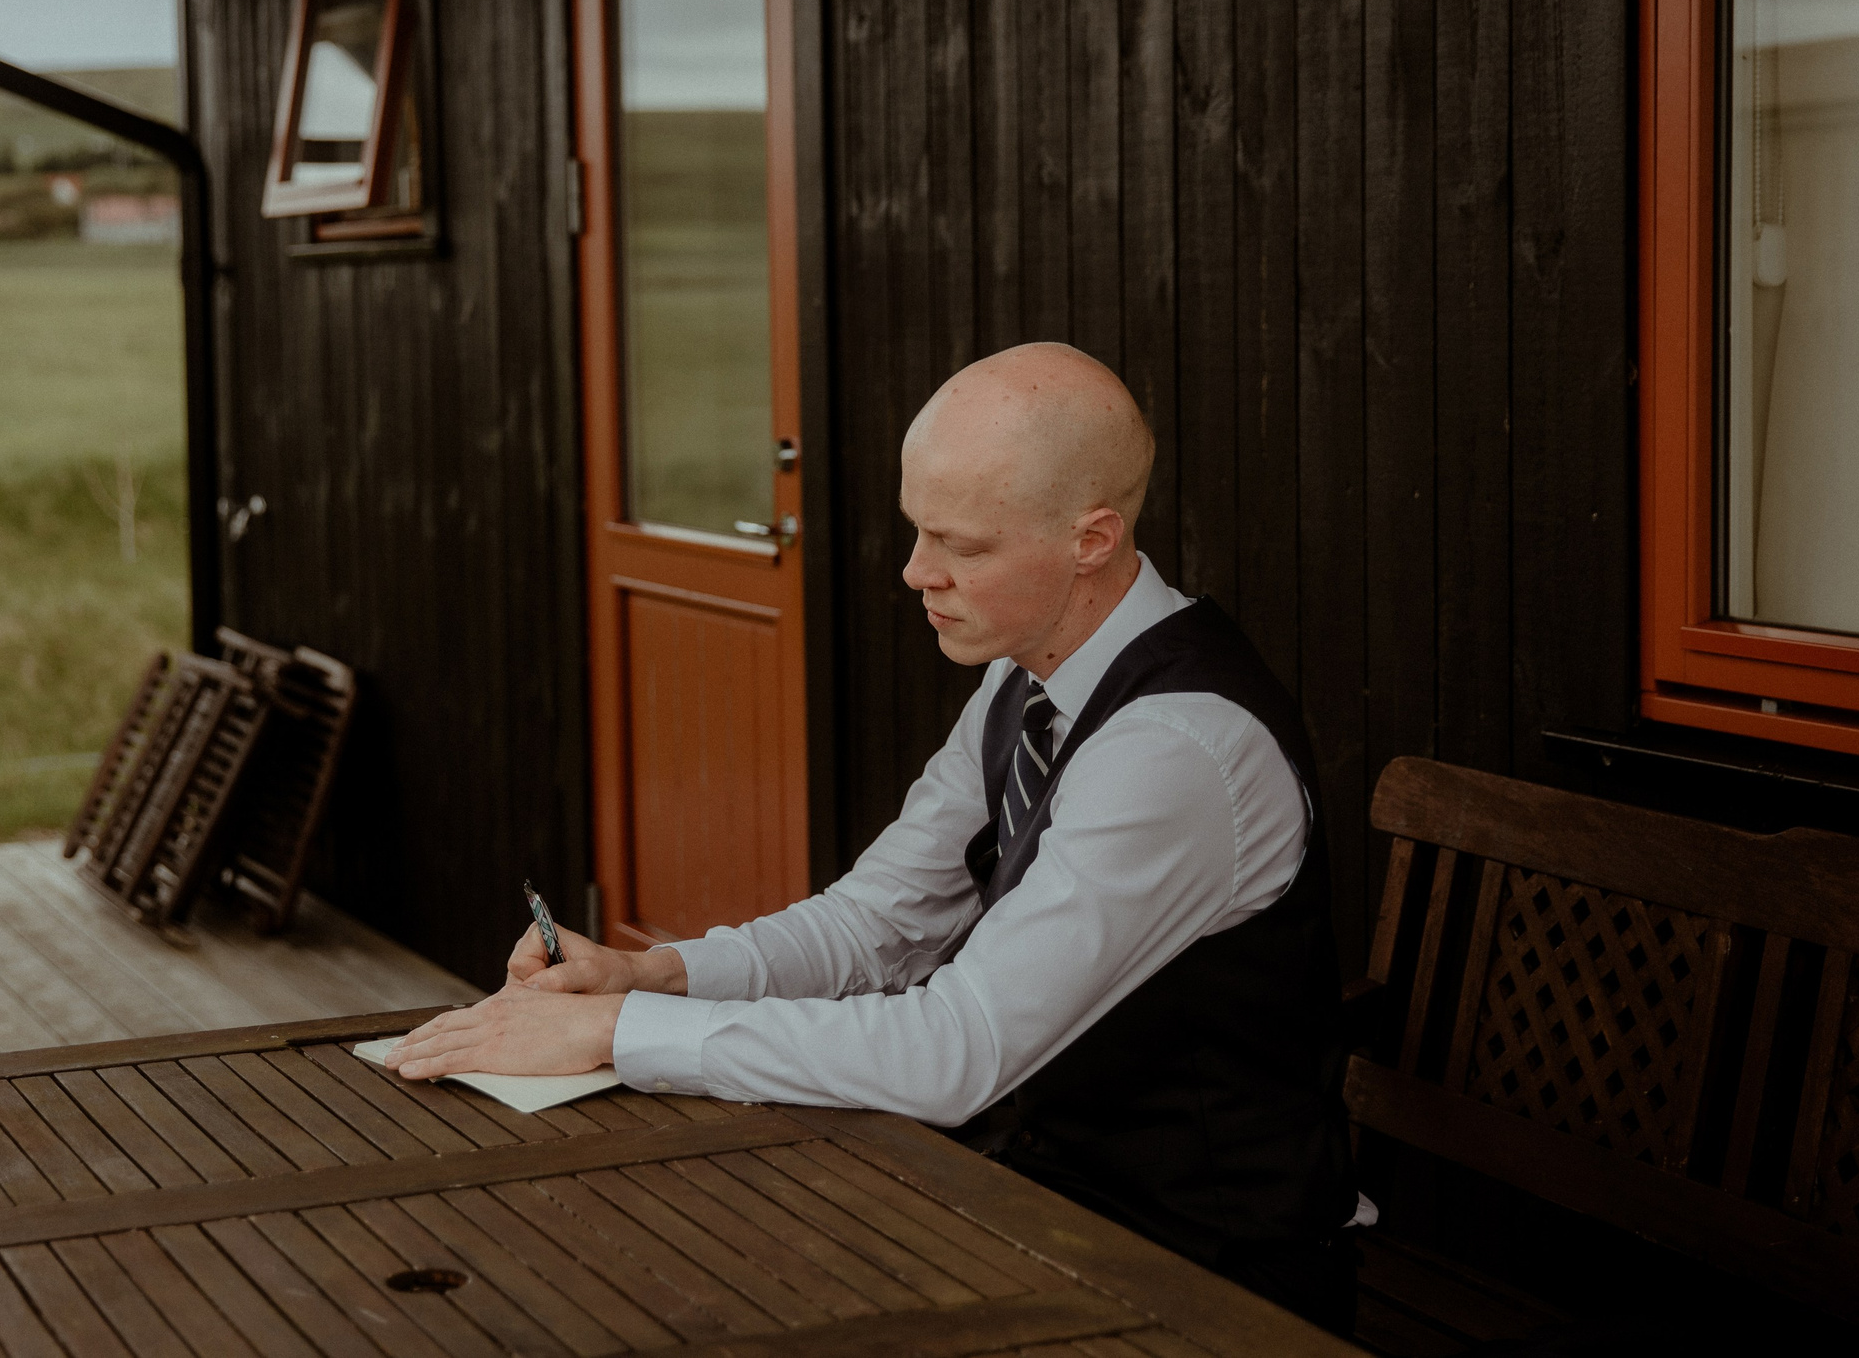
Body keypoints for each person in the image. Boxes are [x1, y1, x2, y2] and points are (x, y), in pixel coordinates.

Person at [391, 342, 1359, 1331]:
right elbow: (872, 927)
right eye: (915, 532)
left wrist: (612, 1034)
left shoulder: (1176, 749)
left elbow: (957, 1050)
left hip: (1205, 1273)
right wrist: (651, 978)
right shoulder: (1023, 684)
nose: (915, 572)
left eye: (962, 546)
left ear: (1092, 540)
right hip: (1035, 1201)